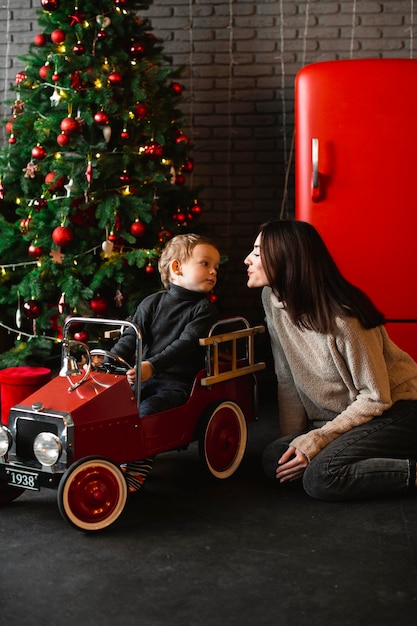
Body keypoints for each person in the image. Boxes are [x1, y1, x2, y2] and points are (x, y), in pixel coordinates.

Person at [244, 219, 417, 501]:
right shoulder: (271, 299)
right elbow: (287, 377)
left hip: (399, 410)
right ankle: (364, 454)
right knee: (275, 459)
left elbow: (375, 398)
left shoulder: (344, 317)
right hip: (348, 417)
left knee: (323, 476)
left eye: (257, 253)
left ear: (286, 259)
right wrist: (296, 442)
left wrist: (318, 440)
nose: (247, 259)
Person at [111, 232, 220, 492]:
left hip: (179, 381)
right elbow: (131, 337)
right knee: (115, 406)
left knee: (148, 410)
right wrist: (111, 359)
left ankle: (137, 466)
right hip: (147, 375)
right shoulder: (152, 303)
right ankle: (112, 456)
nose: (214, 272)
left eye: (216, 267)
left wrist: (153, 366)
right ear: (176, 267)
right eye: (205, 264)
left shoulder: (203, 309)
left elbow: (184, 345)